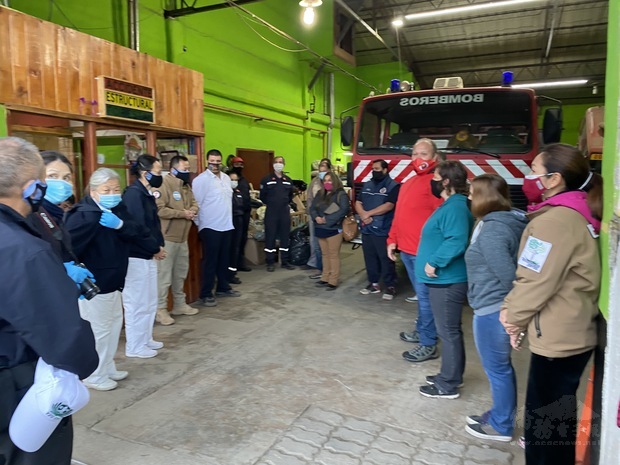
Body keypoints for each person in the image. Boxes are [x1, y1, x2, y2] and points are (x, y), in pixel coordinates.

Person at [500, 143, 602, 465]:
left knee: (544, 427)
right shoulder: (578, 209)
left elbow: (535, 279)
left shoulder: (554, 221)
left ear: (554, 178)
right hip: (573, 330)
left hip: (559, 338)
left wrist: (512, 317)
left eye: (534, 171)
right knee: (556, 421)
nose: (529, 177)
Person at [0, 137, 98, 464]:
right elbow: (64, 337)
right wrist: (84, 364)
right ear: (32, 188)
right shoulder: (23, 250)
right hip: (14, 379)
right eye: (47, 179)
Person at [65, 168, 162, 391]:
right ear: (93, 191)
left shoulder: (117, 209)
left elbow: (138, 230)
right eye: (106, 190)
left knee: (113, 325)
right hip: (95, 284)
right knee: (99, 330)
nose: (112, 194)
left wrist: (120, 225)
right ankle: (93, 375)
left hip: (114, 281)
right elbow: (69, 248)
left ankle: (107, 366)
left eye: (116, 189)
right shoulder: (84, 215)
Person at [463, 174, 528, 441]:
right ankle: (501, 414)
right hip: (494, 304)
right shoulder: (505, 220)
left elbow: (508, 276)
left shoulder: (493, 231)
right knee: (500, 368)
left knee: (497, 369)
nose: (468, 197)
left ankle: (501, 426)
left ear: (484, 197)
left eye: (472, 193)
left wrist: (512, 313)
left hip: (493, 308)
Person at [416, 160, 473, 399]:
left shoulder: (456, 207)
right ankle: (452, 374)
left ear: (446, 181)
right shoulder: (450, 205)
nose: (432, 181)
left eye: (436, 177)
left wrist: (435, 262)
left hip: (447, 280)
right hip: (442, 280)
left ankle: (447, 384)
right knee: (449, 330)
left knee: (448, 332)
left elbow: (457, 240)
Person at [387, 139, 443, 362]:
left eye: (424, 153)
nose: (418, 158)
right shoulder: (408, 183)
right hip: (407, 251)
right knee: (422, 297)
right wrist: (392, 239)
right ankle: (422, 331)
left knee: (426, 299)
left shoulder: (436, 184)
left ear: (435, 157)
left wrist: (435, 255)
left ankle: (428, 343)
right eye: (414, 154)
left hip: (424, 253)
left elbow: (441, 221)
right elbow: (399, 215)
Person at [28, 151, 95, 293]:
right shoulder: (29, 214)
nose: (61, 183)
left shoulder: (56, 214)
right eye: (52, 176)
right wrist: (62, 270)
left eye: (66, 178)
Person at [122, 155, 167, 359]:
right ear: (144, 172)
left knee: (149, 301)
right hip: (136, 255)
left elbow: (152, 224)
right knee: (137, 303)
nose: (160, 175)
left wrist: (157, 246)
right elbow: (137, 228)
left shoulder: (146, 193)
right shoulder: (133, 194)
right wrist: (154, 247)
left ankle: (145, 338)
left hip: (149, 254)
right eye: (157, 171)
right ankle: (134, 345)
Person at [153, 155, 199, 326]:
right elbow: (159, 209)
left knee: (180, 273)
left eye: (188, 169)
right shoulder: (163, 184)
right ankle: (161, 309)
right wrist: (182, 214)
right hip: (167, 238)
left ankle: (179, 304)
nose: (187, 172)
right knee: (164, 275)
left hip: (182, 238)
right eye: (184, 169)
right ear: (173, 169)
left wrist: (192, 211)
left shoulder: (186, 186)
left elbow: (195, 203)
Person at [193, 149, 240, 307]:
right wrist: (199, 224)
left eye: (218, 161)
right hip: (210, 226)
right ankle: (206, 293)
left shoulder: (226, 178)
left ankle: (223, 287)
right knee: (210, 261)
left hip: (226, 225)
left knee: (224, 259)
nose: (215, 164)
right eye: (212, 161)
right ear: (207, 161)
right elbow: (197, 203)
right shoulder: (201, 180)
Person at [355, 159, 400, 300]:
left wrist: (368, 214)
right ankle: (373, 283)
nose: (374, 171)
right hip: (367, 228)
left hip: (383, 229)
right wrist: (363, 215)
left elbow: (389, 205)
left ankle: (390, 286)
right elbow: (358, 202)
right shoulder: (367, 185)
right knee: (370, 257)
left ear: (385, 170)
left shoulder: (393, 186)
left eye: (377, 169)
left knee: (385, 259)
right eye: (373, 169)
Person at [309, 171, 349, 290]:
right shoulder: (320, 193)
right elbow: (312, 208)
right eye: (325, 180)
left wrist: (327, 219)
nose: (327, 183)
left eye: (330, 180)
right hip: (320, 228)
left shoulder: (341, 194)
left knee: (333, 255)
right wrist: (316, 217)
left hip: (333, 228)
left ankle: (333, 280)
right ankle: (325, 277)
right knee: (325, 254)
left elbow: (343, 210)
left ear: (335, 181)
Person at [259, 156, 296, 272]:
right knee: (270, 236)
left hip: (284, 211)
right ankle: (270, 262)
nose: (278, 164)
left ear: (284, 164)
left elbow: (290, 196)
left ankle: (285, 261)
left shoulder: (288, 180)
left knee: (285, 236)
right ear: (273, 164)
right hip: (271, 211)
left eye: (281, 162)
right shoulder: (266, 179)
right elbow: (262, 196)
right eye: (276, 162)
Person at [306, 158, 332, 278]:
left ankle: (328, 269)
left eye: (324, 169)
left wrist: (327, 216)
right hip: (315, 217)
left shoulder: (333, 183)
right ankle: (318, 266)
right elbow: (310, 199)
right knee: (315, 243)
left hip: (328, 218)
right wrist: (313, 215)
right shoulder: (314, 182)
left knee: (327, 245)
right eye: (320, 169)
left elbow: (337, 202)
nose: (322, 172)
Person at [229, 156, 252, 272]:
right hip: (233, 215)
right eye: (236, 164)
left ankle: (240, 262)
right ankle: (232, 265)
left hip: (245, 213)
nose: (239, 166)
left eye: (241, 164)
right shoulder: (228, 178)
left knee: (242, 239)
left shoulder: (244, 180)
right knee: (233, 241)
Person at [228, 171, 246, 285]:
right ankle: (228, 274)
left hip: (239, 220)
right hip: (229, 220)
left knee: (236, 247)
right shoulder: (226, 193)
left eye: (236, 180)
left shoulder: (238, 192)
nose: (234, 182)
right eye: (232, 180)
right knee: (229, 248)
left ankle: (232, 273)